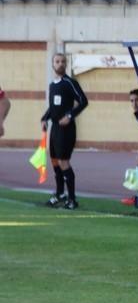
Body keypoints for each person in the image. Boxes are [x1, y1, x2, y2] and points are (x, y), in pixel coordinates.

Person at [41, 52, 88, 210]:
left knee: (63, 161)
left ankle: (72, 199)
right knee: (54, 160)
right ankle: (60, 193)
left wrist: (70, 115)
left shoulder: (70, 82)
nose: (60, 64)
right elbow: (53, 107)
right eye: (57, 61)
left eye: (63, 61)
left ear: (66, 64)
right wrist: (44, 118)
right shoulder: (53, 84)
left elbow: (83, 101)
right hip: (55, 128)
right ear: (52, 64)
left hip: (66, 130)